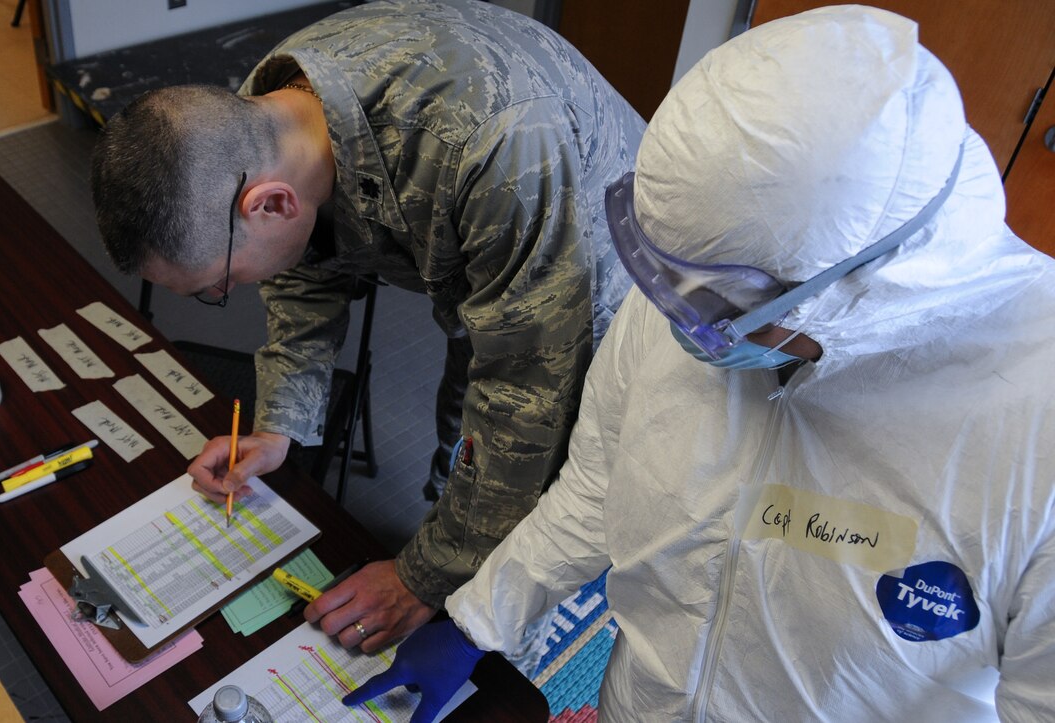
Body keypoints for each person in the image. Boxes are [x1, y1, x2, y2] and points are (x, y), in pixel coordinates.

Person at [340, 5, 1055, 721]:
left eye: (717, 300)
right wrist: (476, 621)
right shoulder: (688, 296)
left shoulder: (1032, 412)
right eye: (669, 278)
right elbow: (595, 487)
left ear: (854, 284)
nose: (678, 319)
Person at [90, 0, 644, 649]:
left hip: (607, 264)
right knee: (469, 438)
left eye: (219, 282)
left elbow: (528, 402)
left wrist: (421, 580)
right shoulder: (262, 121)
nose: (226, 293)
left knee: (557, 495)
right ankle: (456, 536)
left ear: (270, 202)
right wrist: (281, 425)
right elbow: (300, 266)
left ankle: (511, 630)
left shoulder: (491, 149)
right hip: (493, 253)